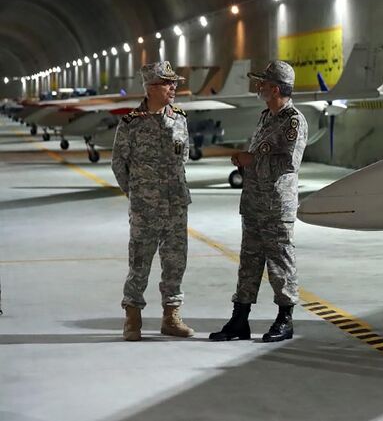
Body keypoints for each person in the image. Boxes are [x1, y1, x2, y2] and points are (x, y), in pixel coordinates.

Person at [210, 60, 307, 343]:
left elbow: (289, 163)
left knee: (280, 261)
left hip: (276, 205)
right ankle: (240, 318)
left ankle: (285, 318)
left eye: (263, 83)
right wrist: (245, 162)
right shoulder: (266, 117)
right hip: (253, 203)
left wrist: (251, 160)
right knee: (249, 262)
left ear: (275, 88)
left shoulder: (293, 121)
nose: (259, 86)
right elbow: (262, 157)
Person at [112, 61, 194, 341]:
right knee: (140, 261)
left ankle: (171, 315)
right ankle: (132, 316)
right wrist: (137, 193)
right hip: (145, 207)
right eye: (167, 83)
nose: (173, 88)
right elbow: (118, 164)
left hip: (176, 204)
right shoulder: (131, 124)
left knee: (175, 261)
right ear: (150, 87)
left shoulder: (180, 118)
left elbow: (182, 159)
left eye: (174, 83)